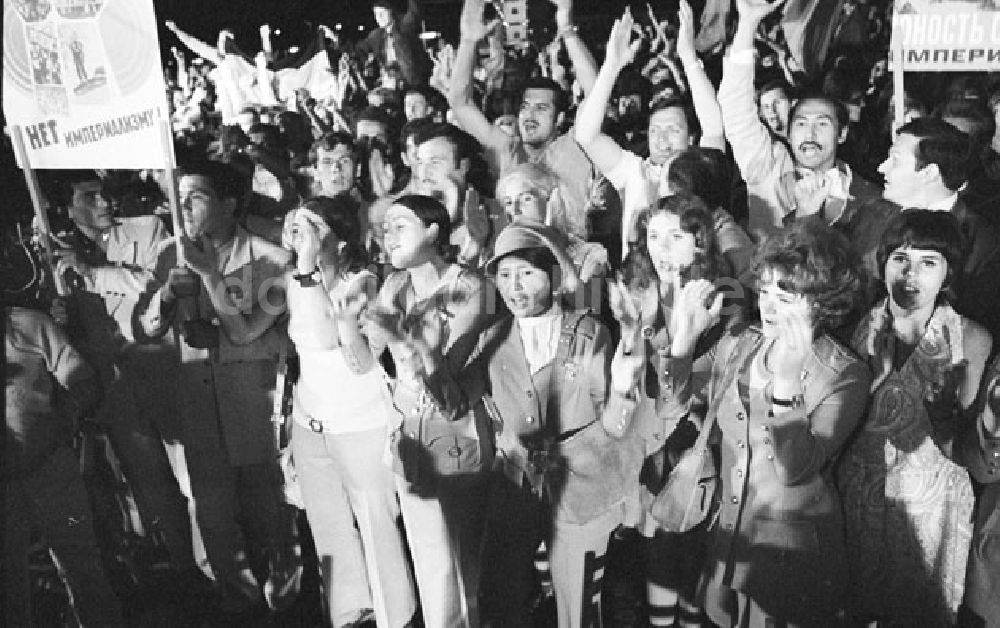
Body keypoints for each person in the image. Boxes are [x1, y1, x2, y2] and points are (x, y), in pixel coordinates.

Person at [415, 222, 645, 627]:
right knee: (501, 595)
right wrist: (431, 357)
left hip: (580, 485)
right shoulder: (495, 337)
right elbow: (454, 406)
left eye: (527, 273)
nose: (515, 287)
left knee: (578, 604)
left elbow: (613, 423)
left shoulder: (588, 333)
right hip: (515, 486)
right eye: (504, 276)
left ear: (556, 278)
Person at [658, 221, 871, 626]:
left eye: (785, 297)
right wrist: (683, 342)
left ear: (822, 301)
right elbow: (672, 408)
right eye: (766, 292)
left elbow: (795, 471)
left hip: (788, 555)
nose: (769, 307)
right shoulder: (741, 339)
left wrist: (788, 385)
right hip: (729, 537)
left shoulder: (844, 373)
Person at [137, 159, 300, 613]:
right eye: (180, 196)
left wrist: (222, 334)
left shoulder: (271, 259)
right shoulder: (173, 252)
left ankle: (287, 597)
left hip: (253, 398)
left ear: (230, 203)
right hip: (198, 403)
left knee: (270, 505)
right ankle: (238, 600)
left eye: (197, 196)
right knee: (213, 509)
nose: (184, 206)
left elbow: (262, 331)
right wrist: (169, 293)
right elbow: (147, 327)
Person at [837, 210, 992, 626]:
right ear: (883, 263)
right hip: (861, 502)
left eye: (929, 262)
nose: (911, 274)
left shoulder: (969, 338)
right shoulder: (856, 328)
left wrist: (944, 413)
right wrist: (876, 378)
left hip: (932, 513)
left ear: (947, 274)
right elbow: (836, 430)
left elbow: (968, 450)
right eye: (900, 258)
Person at [47, 171, 196, 578]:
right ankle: (185, 571)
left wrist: (92, 273)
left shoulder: (148, 228)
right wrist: (59, 313)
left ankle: (216, 568)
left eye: (105, 194)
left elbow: (154, 282)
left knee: (191, 477)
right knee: (150, 485)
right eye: (90, 197)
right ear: (67, 207)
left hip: (163, 372)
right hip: (113, 388)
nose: (104, 203)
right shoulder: (55, 251)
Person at [610, 193, 744, 628]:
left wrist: (683, 336)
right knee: (656, 553)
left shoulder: (722, 298)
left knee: (687, 555)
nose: (661, 248)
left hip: (693, 443)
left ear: (700, 243)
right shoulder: (643, 291)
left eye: (676, 237)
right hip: (647, 437)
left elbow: (682, 398)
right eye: (653, 236)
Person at [284, 196, 417, 627]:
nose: (300, 235)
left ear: (339, 241)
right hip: (311, 420)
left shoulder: (365, 282)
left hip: (359, 422)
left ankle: (395, 616)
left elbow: (325, 338)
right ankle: (350, 615)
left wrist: (306, 270)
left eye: (312, 227)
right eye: (296, 225)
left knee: (375, 521)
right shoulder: (296, 278)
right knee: (329, 525)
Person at [365, 193, 493, 627]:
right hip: (409, 435)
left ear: (434, 231)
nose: (388, 235)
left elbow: (451, 396)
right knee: (428, 556)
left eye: (401, 225)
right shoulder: (393, 286)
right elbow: (363, 361)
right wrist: (349, 324)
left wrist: (417, 351)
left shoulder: (470, 288)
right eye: (385, 228)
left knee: (465, 562)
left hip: (455, 434)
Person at [2, 240, 125, 628]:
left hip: (50, 468)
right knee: (7, 586)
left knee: (82, 565)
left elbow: (82, 381)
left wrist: (66, 416)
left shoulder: (30, 325)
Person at [718, 0, 880, 237]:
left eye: (822, 124)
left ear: (842, 133)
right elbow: (735, 106)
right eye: (801, 124)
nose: (810, 134)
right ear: (790, 131)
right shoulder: (768, 168)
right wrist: (748, 24)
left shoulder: (869, 197)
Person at [575, 4, 725, 257]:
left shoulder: (702, 171)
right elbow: (586, 136)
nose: (663, 140)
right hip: (638, 289)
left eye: (673, 130)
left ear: (691, 138)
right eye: (655, 131)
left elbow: (714, 127)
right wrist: (611, 66)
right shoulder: (634, 171)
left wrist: (689, 57)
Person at [450, 0, 599, 239]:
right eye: (525, 107)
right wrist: (468, 41)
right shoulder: (506, 151)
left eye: (541, 108)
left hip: (571, 258)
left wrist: (566, 27)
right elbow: (460, 103)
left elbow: (595, 90)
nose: (529, 115)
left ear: (560, 118)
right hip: (516, 259)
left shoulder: (575, 145)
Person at [845, 117, 1000, 341]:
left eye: (895, 160)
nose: (881, 167)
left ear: (929, 173)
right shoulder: (870, 215)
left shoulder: (983, 244)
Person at [356, 0, 432, 87]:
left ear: (391, 11)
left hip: (409, 81)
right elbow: (360, 49)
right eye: (376, 14)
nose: (379, 17)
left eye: (382, 13)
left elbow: (415, 12)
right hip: (388, 81)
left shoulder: (404, 27)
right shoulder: (375, 35)